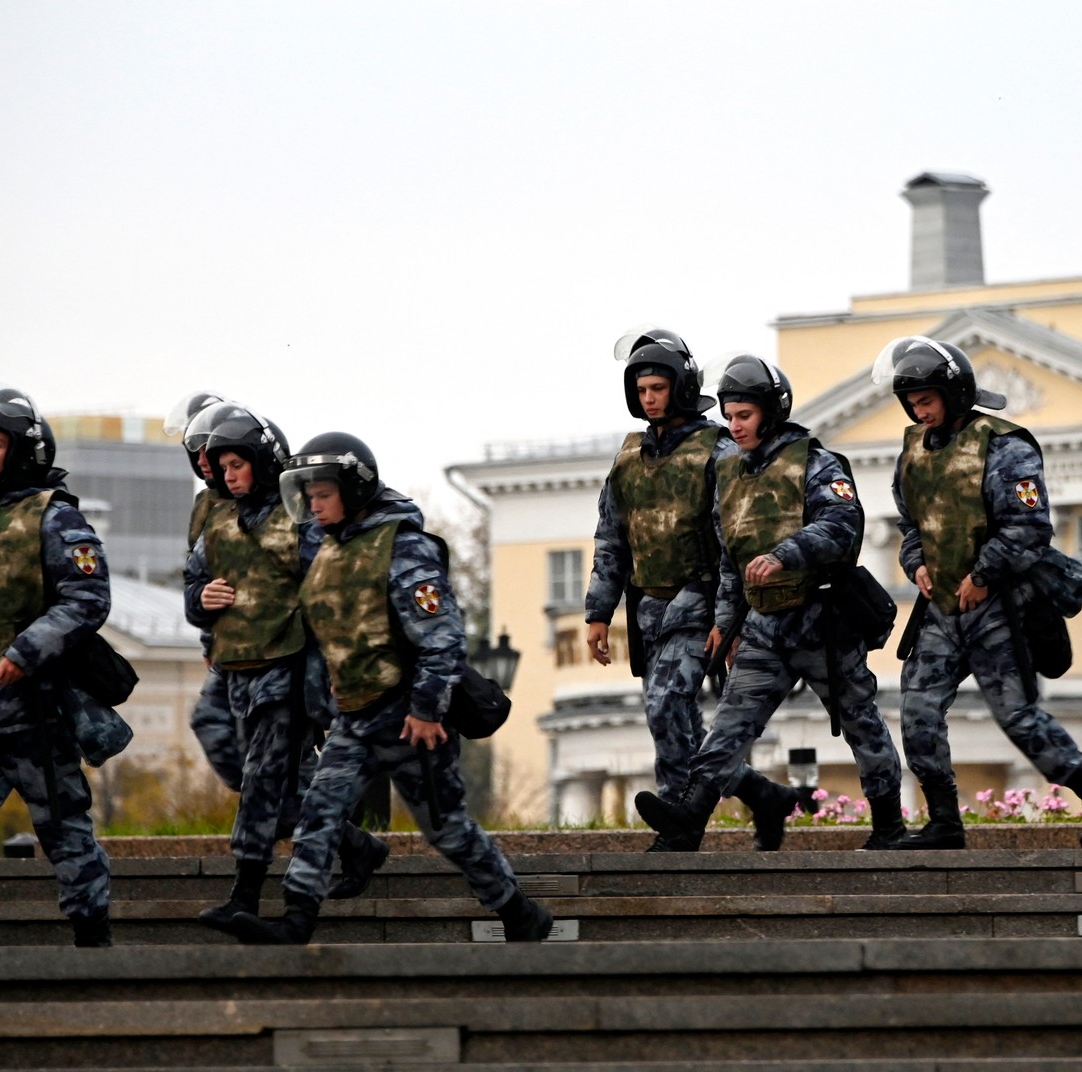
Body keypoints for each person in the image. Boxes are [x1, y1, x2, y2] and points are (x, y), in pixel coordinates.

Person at [230, 434, 552, 943]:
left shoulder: (403, 547)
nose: (313, 505)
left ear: (353, 490)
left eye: (323, 495)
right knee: (319, 812)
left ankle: (519, 912)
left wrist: (426, 711)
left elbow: (443, 640)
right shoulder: (328, 551)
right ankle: (296, 921)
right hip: (355, 720)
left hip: (410, 721)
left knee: (447, 830)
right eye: (308, 495)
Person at [634, 354, 907, 852]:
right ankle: (688, 821)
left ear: (770, 412)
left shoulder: (816, 463)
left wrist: (784, 555)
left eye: (745, 416)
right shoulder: (729, 474)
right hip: (762, 628)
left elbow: (841, 526)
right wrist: (726, 622)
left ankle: (889, 824)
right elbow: (728, 559)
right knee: (729, 726)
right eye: (730, 415)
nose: (734, 426)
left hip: (822, 624)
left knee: (860, 723)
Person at [872, 337, 1082, 850]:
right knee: (917, 712)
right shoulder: (913, 449)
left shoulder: (1005, 445)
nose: (919, 411)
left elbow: (1029, 527)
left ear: (955, 393)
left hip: (996, 606)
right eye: (912, 403)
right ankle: (943, 823)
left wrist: (981, 576)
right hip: (941, 608)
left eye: (927, 400)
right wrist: (915, 562)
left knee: (1018, 718)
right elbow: (911, 523)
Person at [183, 403, 385, 935]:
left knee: (260, 781)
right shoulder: (218, 522)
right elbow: (190, 588)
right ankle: (357, 846)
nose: (227, 475)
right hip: (238, 672)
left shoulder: (297, 518)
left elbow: (332, 576)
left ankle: (244, 893)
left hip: (290, 671)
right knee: (280, 781)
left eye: (237, 464)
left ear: (264, 462)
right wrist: (203, 599)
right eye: (221, 467)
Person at [0, 384, 113, 948]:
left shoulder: (56, 519)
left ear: (25, 451)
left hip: (36, 710)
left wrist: (26, 652)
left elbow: (87, 598)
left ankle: (92, 932)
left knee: (62, 827)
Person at [585, 327, 747, 851]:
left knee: (666, 703)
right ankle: (760, 794)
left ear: (679, 387)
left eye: (657, 387)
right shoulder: (629, 456)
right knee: (672, 718)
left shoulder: (716, 449)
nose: (648, 398)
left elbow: (732, 541)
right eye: (641, 390)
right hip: (648, 609)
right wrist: (596, 614)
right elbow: (611, 539)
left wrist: (730, 618)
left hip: (699, 600)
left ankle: (679, 817)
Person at [164, 391, 241, 791]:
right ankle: (286, 810)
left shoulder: (272, 496)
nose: (207, 461)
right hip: (227, 645)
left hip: (280, 645)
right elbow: (196, 582)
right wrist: (210, 642)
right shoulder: (205, 505)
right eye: (199, 451)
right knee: (211, 723)